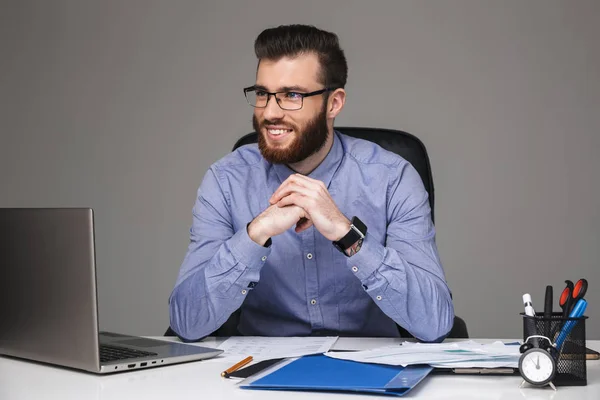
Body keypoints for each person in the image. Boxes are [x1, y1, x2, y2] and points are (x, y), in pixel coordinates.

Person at [169, 24, 454, 342]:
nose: (270, 112)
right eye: (263, 93)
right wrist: (255, 233)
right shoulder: (225, 181)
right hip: (256, 381)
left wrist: (347, 234)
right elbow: (187, 323)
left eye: (292, 95)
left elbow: (435, 322)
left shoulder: (392, 178)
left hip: (370, 374)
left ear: (334, 103)